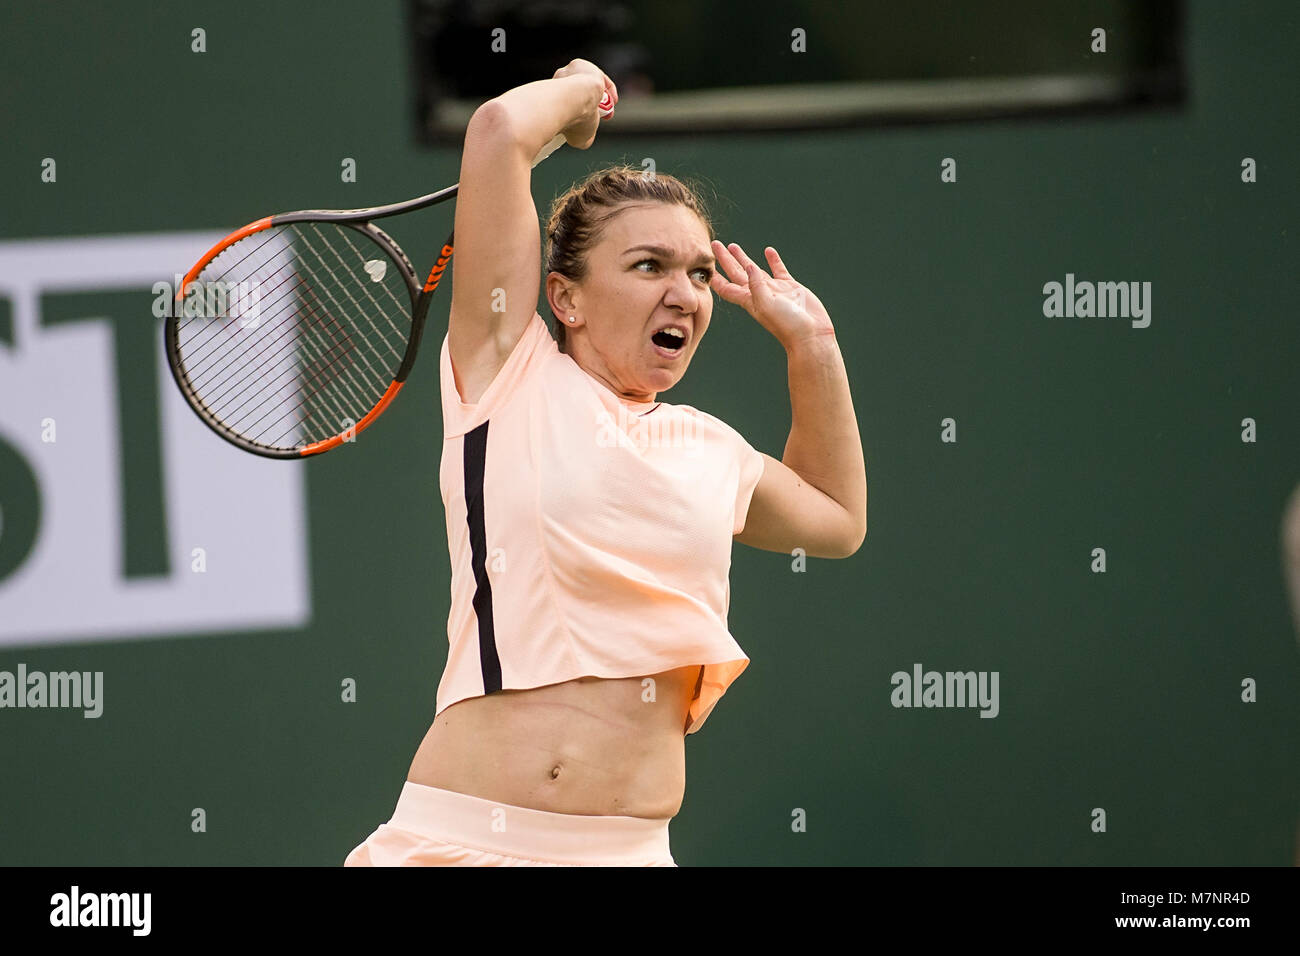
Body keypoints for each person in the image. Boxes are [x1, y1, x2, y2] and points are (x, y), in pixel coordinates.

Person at [345, 59, 866, 866]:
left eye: (699, 272)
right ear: (565, 298)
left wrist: (813, 345)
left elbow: (836, 520)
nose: (687, 294)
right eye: (649, 266)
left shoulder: (712, 447)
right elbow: (499, 132)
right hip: (463, 844)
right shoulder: (507, 373)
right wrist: (589, 92)